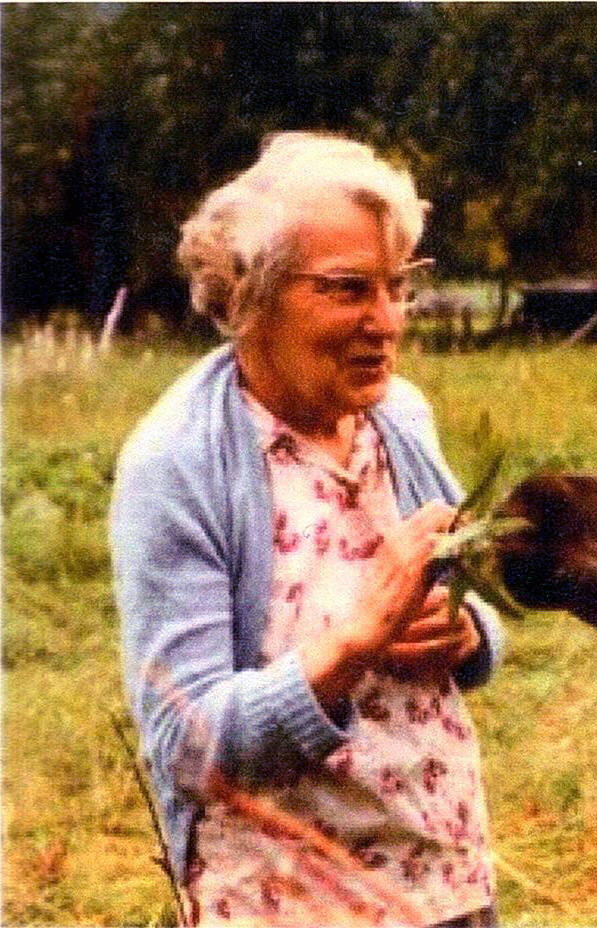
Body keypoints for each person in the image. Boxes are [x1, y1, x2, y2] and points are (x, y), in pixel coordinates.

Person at [111, 132, 504, 927]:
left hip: (445, 882)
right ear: (251, 293)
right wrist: (352, 642)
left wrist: (470, 635)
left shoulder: (401, 417)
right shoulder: (179, 463)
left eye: (398, 286)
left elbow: (469, 604)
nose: (385, 321)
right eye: (348, 288)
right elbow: (185, 749)